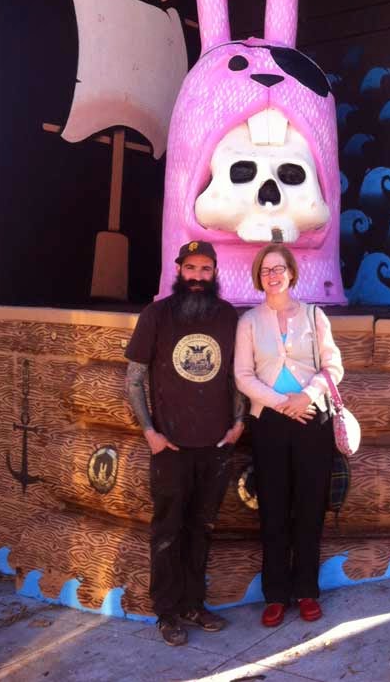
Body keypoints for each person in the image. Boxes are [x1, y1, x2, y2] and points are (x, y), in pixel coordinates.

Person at [124, 241, 245, 646]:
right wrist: (150, 433)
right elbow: (134, 380)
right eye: (190, 268)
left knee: (202, 528)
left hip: (216, 446)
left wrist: (238, 423)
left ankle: (194, 604)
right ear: (178, 271)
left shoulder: (228, 316)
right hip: (170, 447)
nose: (197, 276)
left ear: (215, 273)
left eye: (205, 269)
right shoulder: (156, 315)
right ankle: (166, 612)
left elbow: (236, 375)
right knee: (168, 530)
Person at [234, 244, 344, 627]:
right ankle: (276, 595)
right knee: (274, 508)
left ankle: (307, 590)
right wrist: (283, 403)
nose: (273, 275)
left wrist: (307, 396)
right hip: (270, 421)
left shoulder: (315, 316)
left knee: (310, 505)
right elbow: (242, 376)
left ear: (292, 273)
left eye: (279, 268)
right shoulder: (249, 322)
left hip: (311, 418)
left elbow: (333, 366)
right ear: (258, 277)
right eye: (266, 270)